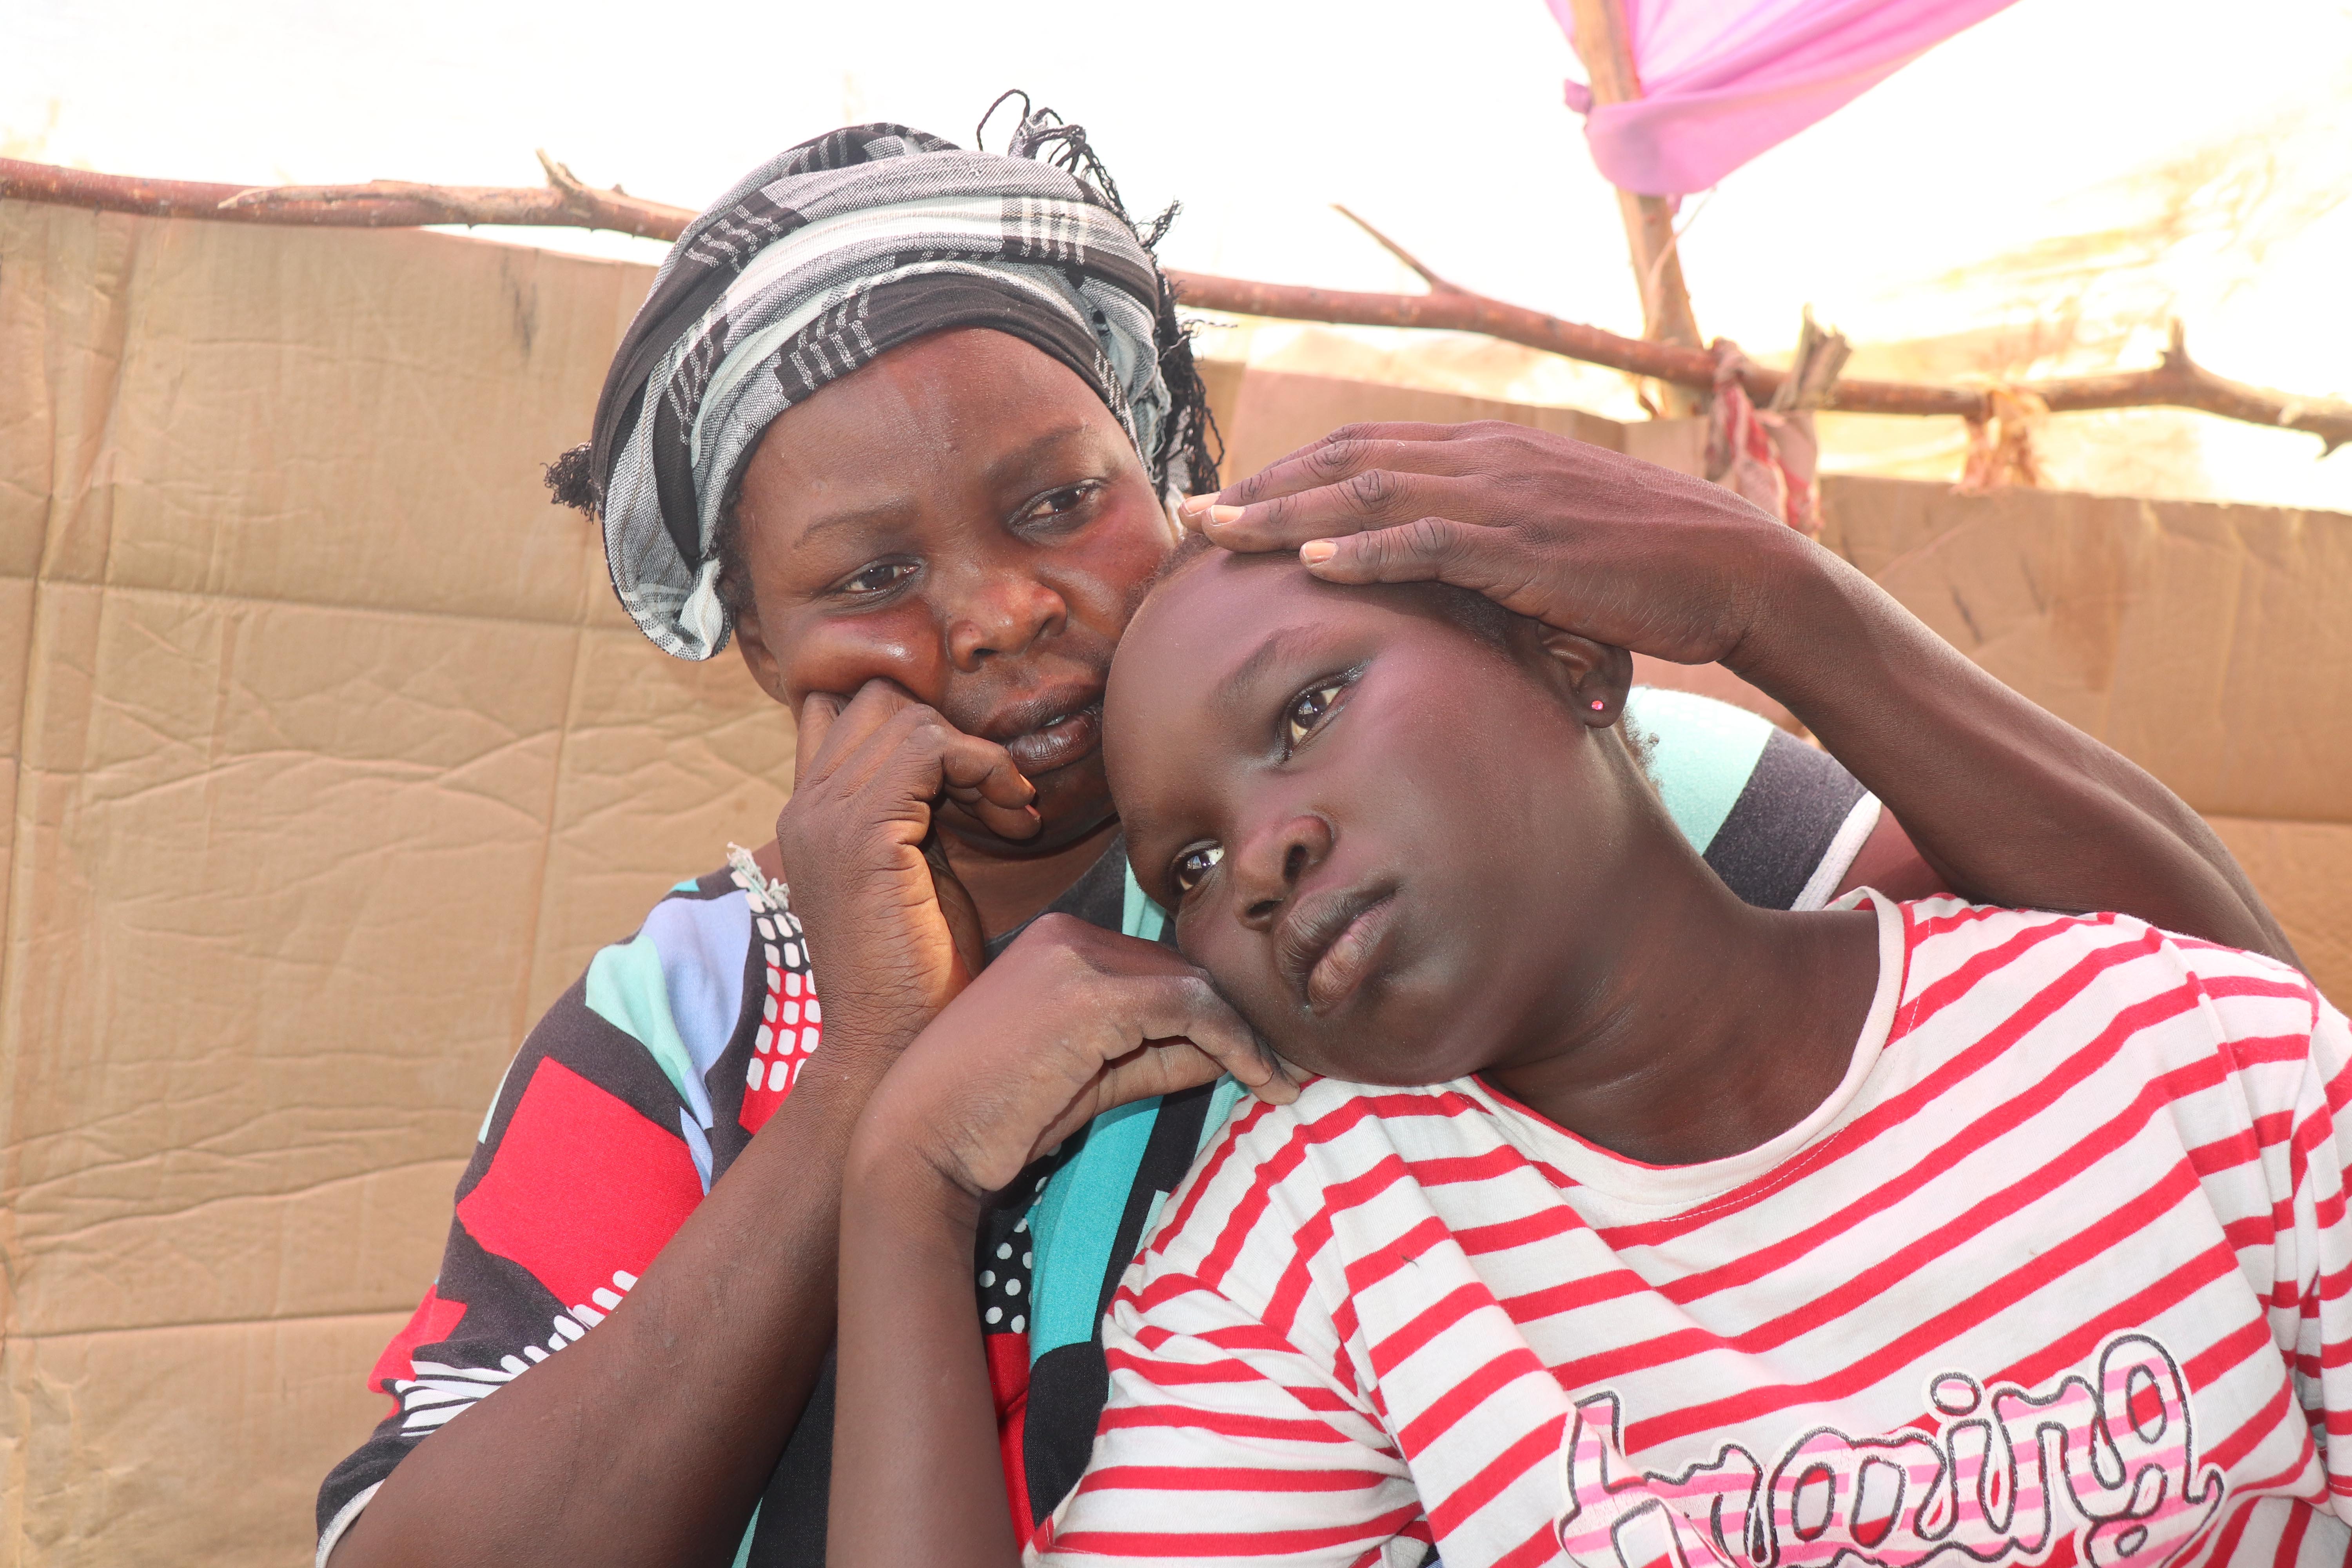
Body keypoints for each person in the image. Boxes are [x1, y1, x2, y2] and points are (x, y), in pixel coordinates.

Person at [317, 109, 2295, 1568]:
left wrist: (1786, 600)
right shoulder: (682, 1016)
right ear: (753, 646)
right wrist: (863, 1104)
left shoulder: (1555, 806)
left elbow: (2182, 1054)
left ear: (1170, 469)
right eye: (872, 575)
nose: (999, 614)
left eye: (1054, 499)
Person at [828, 544, 2351, 1568]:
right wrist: (905, 1187)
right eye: (1194, 868)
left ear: (1574, 662)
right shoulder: (1320, 1246)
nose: (1266, 855)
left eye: (1306, 708)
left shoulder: (2174, 1052)